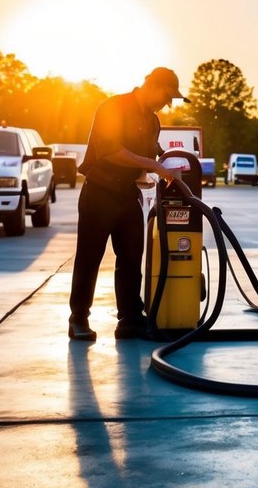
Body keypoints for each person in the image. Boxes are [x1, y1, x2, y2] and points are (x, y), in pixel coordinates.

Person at [68, 67, 184, 342]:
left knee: (132, 255)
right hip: (99, 193)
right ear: (153, 85)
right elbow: (111, 151)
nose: (165, 104)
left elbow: (152, 150)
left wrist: (174, 162)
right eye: (166, 96)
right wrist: (154, 164)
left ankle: (130, 320)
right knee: (89, 257)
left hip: (127, 193)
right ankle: (79, 319)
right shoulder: (113, 107)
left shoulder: (153, 121)